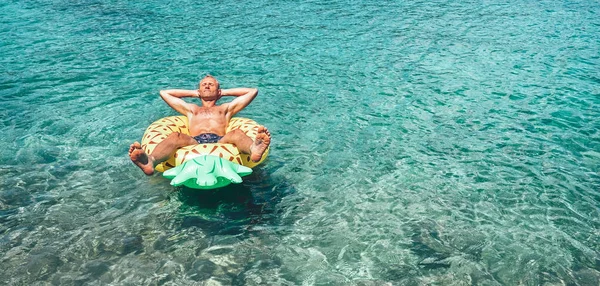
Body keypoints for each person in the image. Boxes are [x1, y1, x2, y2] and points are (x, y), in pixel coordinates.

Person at [129, 75, 271, 175]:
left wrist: (223, 93)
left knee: (237, 133)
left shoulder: (225, 109)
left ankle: (254, 149)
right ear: (199, 90)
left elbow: (252, 91)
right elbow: (164, 93)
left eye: (211, 84)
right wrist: (195, 94)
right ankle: (150, 161)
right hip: (195, 140)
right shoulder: (192, 109)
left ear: (218, 90)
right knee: (175, 136)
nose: (207, 85)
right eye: (204, 85)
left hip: (220, 139)